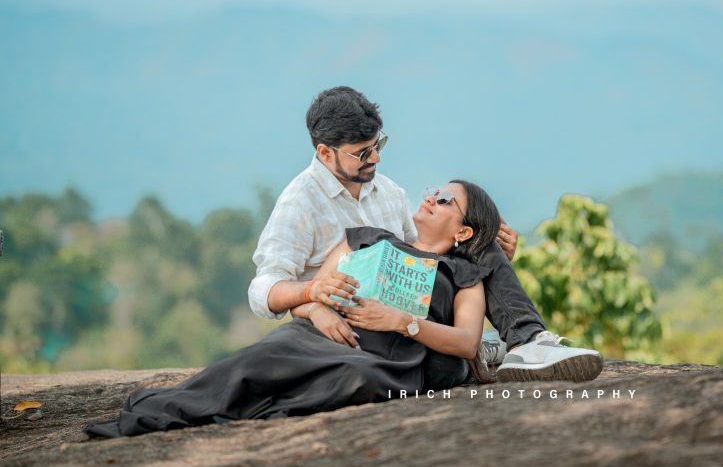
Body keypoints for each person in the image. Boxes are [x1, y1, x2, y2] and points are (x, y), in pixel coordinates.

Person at [86, 180, 499, 438]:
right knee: (259, 360)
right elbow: (313, 293)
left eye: (443, 199)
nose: (429, 197)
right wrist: (315, 308)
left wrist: (402, 321)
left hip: (386, 359)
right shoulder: (372, 238)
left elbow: (466, 342)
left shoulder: (464, 275)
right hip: (322, 332)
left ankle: (250, 416)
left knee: (357, 378)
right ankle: (159, 409)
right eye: (432, 191)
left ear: (463, 230)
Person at [249, 86, 602, 383]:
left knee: (478, 244)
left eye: (379, 146)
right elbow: (263, 289)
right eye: (363, 153)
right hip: (355, 328)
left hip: (411, 314)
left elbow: (426, 255)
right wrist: (311, 299)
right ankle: (488, 346)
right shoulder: (300, 203)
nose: (376, 159)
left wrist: (484, 253)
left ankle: (528, 342)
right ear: (325, 153)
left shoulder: (387, 193)